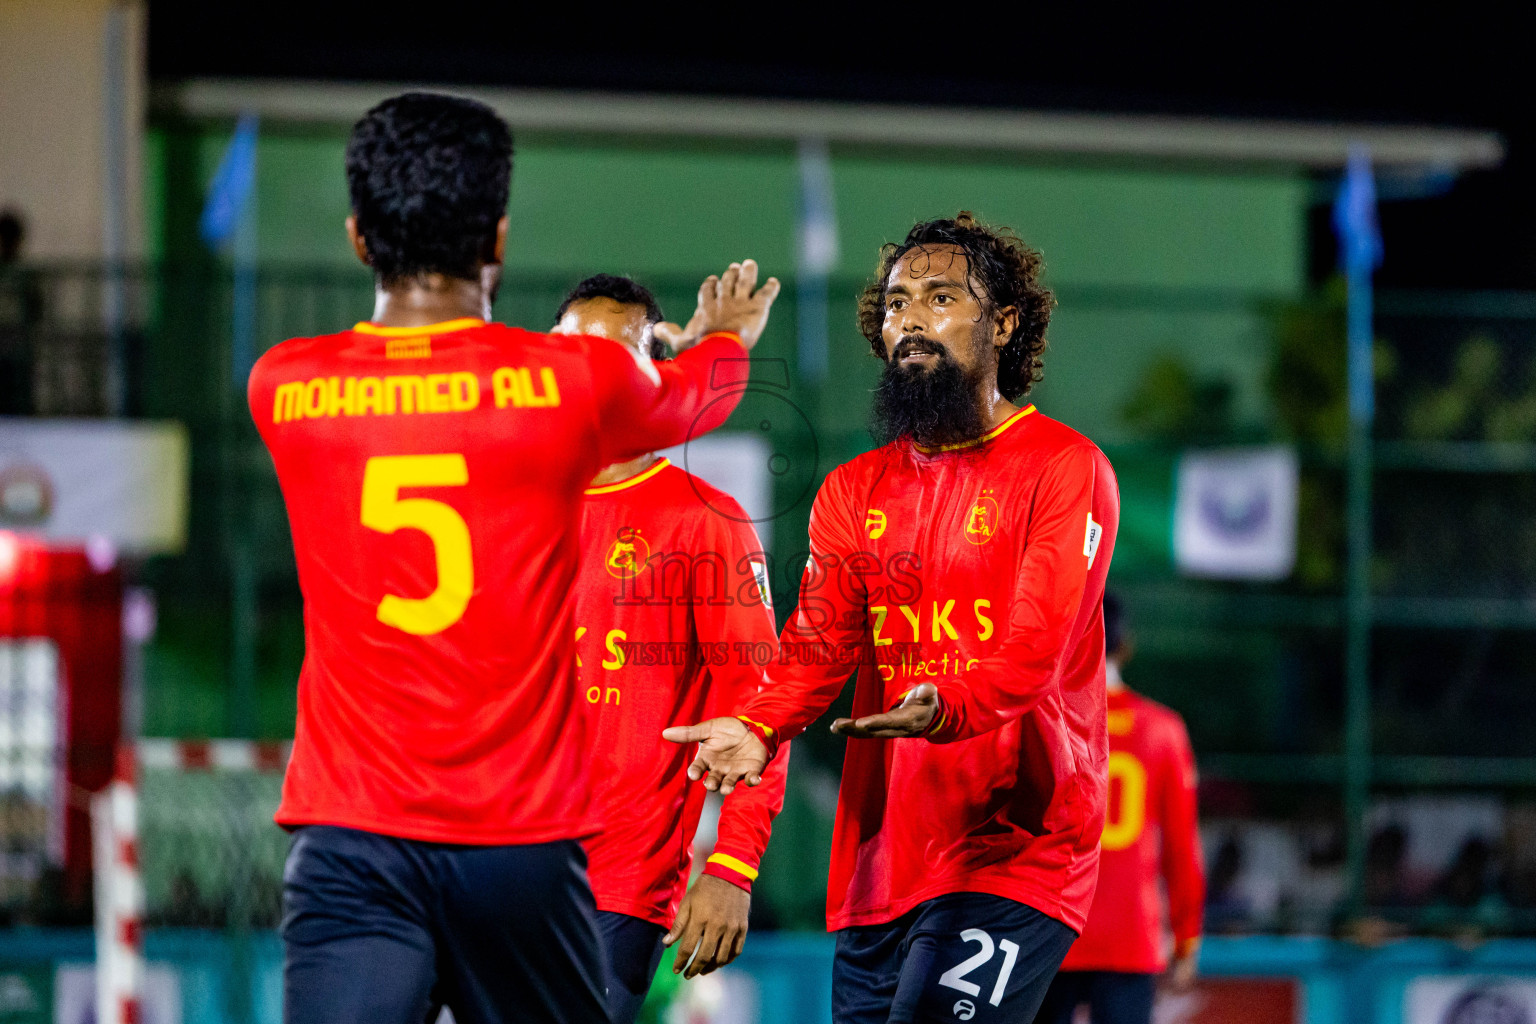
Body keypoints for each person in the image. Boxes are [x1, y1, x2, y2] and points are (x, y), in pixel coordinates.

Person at [246, 92, 779, 1024]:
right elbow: (701, 389)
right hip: (517, 844)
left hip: (351, 833)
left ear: (359, 238)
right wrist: (723, 337)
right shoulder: (564, 387)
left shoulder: (284, 384)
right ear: (495, 240)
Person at [665, 213, 1120, 1023]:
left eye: (941, 297)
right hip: (881, 863)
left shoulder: (1064, 467)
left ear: (1004, 324)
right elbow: (815, 650)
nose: (909, 317)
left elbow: (1033, 653)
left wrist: (944, 704)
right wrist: (761, 726)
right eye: (896, 302)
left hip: (1015, 849)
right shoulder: (852, 489)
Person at [551, 274, 791, 1023]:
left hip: (615, 890)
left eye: (610, 354)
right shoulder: (505, 502)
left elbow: (764, 711)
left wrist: (732, 865)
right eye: (567, 353)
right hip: (484, 868)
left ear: (655, 367)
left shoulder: (705, 523)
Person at [1034, 592, 1205, 1024]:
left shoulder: (1046, 720)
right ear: (1126, 647)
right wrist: (1186, 937)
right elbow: (1182, 848)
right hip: (1131, 936)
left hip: (1051, 929)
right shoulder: (1163, 730)